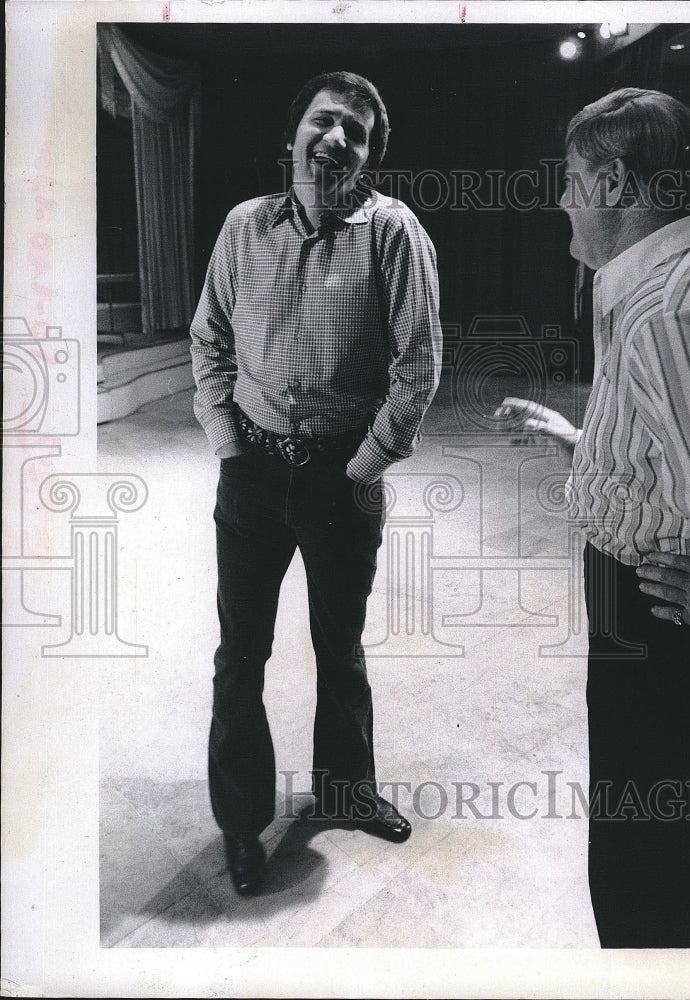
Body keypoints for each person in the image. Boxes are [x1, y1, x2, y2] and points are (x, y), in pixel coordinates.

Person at [190, 71, 442, 894]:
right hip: (253, 475)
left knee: (340, 648)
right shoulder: (242, 228)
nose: (335, 138)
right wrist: (229, 444)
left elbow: (419, 368)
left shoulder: (393, 234)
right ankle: (239, 824)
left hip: (345, 478)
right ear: (294, 134)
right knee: (240, 657)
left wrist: (362, 468)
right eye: (322, 121)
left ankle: (347, 791)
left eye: (355, 133)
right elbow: (210, 341)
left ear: (368, 158)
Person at [497, 89, 690, 948]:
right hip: (661, 620)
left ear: (615, 185)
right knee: (655, 866)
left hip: (664, 630)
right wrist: (584, 441)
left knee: (643, 888)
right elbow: (687, 448)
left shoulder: (667, 312)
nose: (561, 199)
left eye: (569, 181)